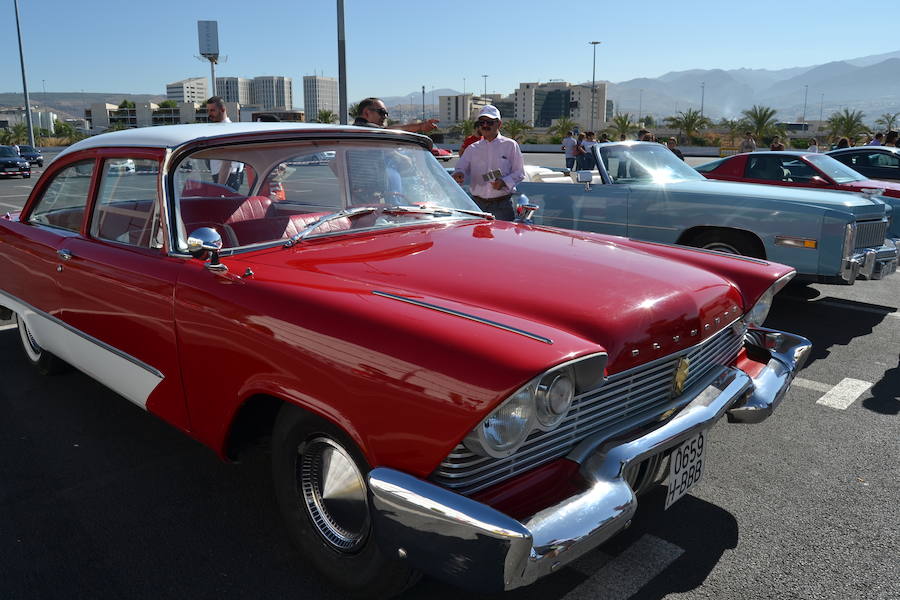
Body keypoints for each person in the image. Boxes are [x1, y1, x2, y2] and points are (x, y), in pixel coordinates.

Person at [451, 105, 525, 221]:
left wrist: (504, 182)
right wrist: (459, 174)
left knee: (503, 239)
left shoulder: (510, 145)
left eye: (489, 122)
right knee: (477, 239)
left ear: (499, 124)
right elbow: (461, 168)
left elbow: (519, 173)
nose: (485, 125)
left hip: (502, 205)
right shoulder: (472, 148)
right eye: (482, 122)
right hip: (477, 205)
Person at [205, 96, 244, 190]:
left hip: (227, 178)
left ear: (222, 109)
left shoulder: (227, 130)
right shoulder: (219, 129)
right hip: (223, 176)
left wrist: (220, 187)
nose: (209, 114)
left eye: (212, 110)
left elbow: (227, 163)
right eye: (208, 111)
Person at [353, 97, 439, 133]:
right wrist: (420, 127)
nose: (385, 116)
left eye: (386, 114)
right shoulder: (364, 130)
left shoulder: (370, 137)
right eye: (382, 112)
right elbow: (387, 131)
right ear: (366, 113)